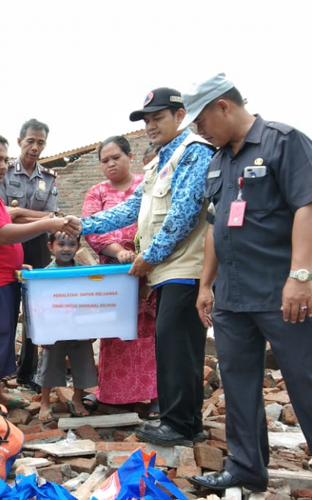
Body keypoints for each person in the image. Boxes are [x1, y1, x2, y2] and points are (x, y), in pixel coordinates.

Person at [184, 73, 312, 491]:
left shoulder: (284, 142)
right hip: (232, 295)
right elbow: (216, 227)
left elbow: (308, 207)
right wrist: (205, 285)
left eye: (200, 121)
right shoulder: (219, 160)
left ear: (223, 106)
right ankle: (246, 468)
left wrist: (300, 276)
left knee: (308, 381)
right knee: (238, 382)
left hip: (281, 290)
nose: (199, 131)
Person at [75, 87, 215, 447]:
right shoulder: (159, 164)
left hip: (184, 268)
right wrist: (81, 224)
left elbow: (184, 214)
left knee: (177, 346)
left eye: (159, 118)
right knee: (172, 347)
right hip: (166, 270)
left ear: (180, 116)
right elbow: (129, 210)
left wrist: (149, 254)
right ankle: (184, 422)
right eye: (147, 120)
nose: (151, 125)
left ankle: (179, 425)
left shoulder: (193, 154)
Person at [0, 132, 80, 407]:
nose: (3, 165)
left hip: (4, 277)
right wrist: (48, 224)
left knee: (2, 336)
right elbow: (1, 234)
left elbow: (5, 235)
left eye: (5, 159)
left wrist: (13, 262)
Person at [81, 136, 158, 418]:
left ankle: (153, 396)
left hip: (149, 271)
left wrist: (145, 255)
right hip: (112, 276)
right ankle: (116, 396)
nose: (111, 163)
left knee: (150, 334)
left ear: (129, 156)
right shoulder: (96, 192)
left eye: (116, 157)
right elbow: (91, 229)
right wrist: (118, 252)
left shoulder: (147, 184)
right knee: (116, 334)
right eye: (105, 160)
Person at [0, 119, 58, 392]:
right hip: (8, 245)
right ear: (19, 141)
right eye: (30, 141)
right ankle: (1, 369)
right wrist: (35, 216)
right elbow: (0, 213)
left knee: (35, 311)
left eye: (40, 142)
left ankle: (27, 371)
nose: (35, 147)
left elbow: (53, 215)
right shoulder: (4, 173)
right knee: (6, 308)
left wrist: (19, 212)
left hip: (38, 246)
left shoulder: (49, 177)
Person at [36, 232, 98, 423]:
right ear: (50, 246)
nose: (66, 249)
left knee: (84, 363)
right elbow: (37, 305)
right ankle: (45, 402)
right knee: (49, 363)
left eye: (72, 244)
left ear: (78, 246)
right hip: (53, 329)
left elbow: (92, 301)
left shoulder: (84, 272)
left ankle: (77, 398)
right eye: (61, 244)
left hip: (79, 327)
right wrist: (41, 334)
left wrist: (92, 327)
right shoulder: (44, 274)